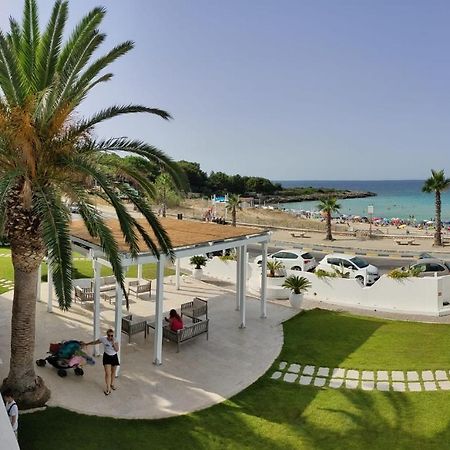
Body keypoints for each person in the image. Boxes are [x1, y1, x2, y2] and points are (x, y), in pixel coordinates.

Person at [83, 329, 120, 396]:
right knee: (107, 373)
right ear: (107, 335)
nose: (110, 337)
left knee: (113, 372)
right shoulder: (103, 339)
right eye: (109, 335)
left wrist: (113, 343)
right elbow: (95, 342)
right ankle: (108, 388)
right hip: (107, 357)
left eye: (111, 335)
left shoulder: (115, 340)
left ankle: (112, 384)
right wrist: (87, 344)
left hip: (114, 357)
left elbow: (117, 350)